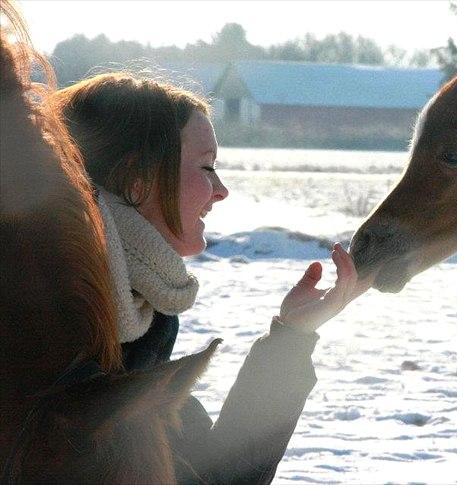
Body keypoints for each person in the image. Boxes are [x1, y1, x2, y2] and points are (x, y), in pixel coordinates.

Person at [51, 72, 370, 483]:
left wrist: (291, 338)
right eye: (206, 167)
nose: (221, 191)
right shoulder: (48, 324)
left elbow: (216, 477)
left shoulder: (140, 317)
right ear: (137, 180)